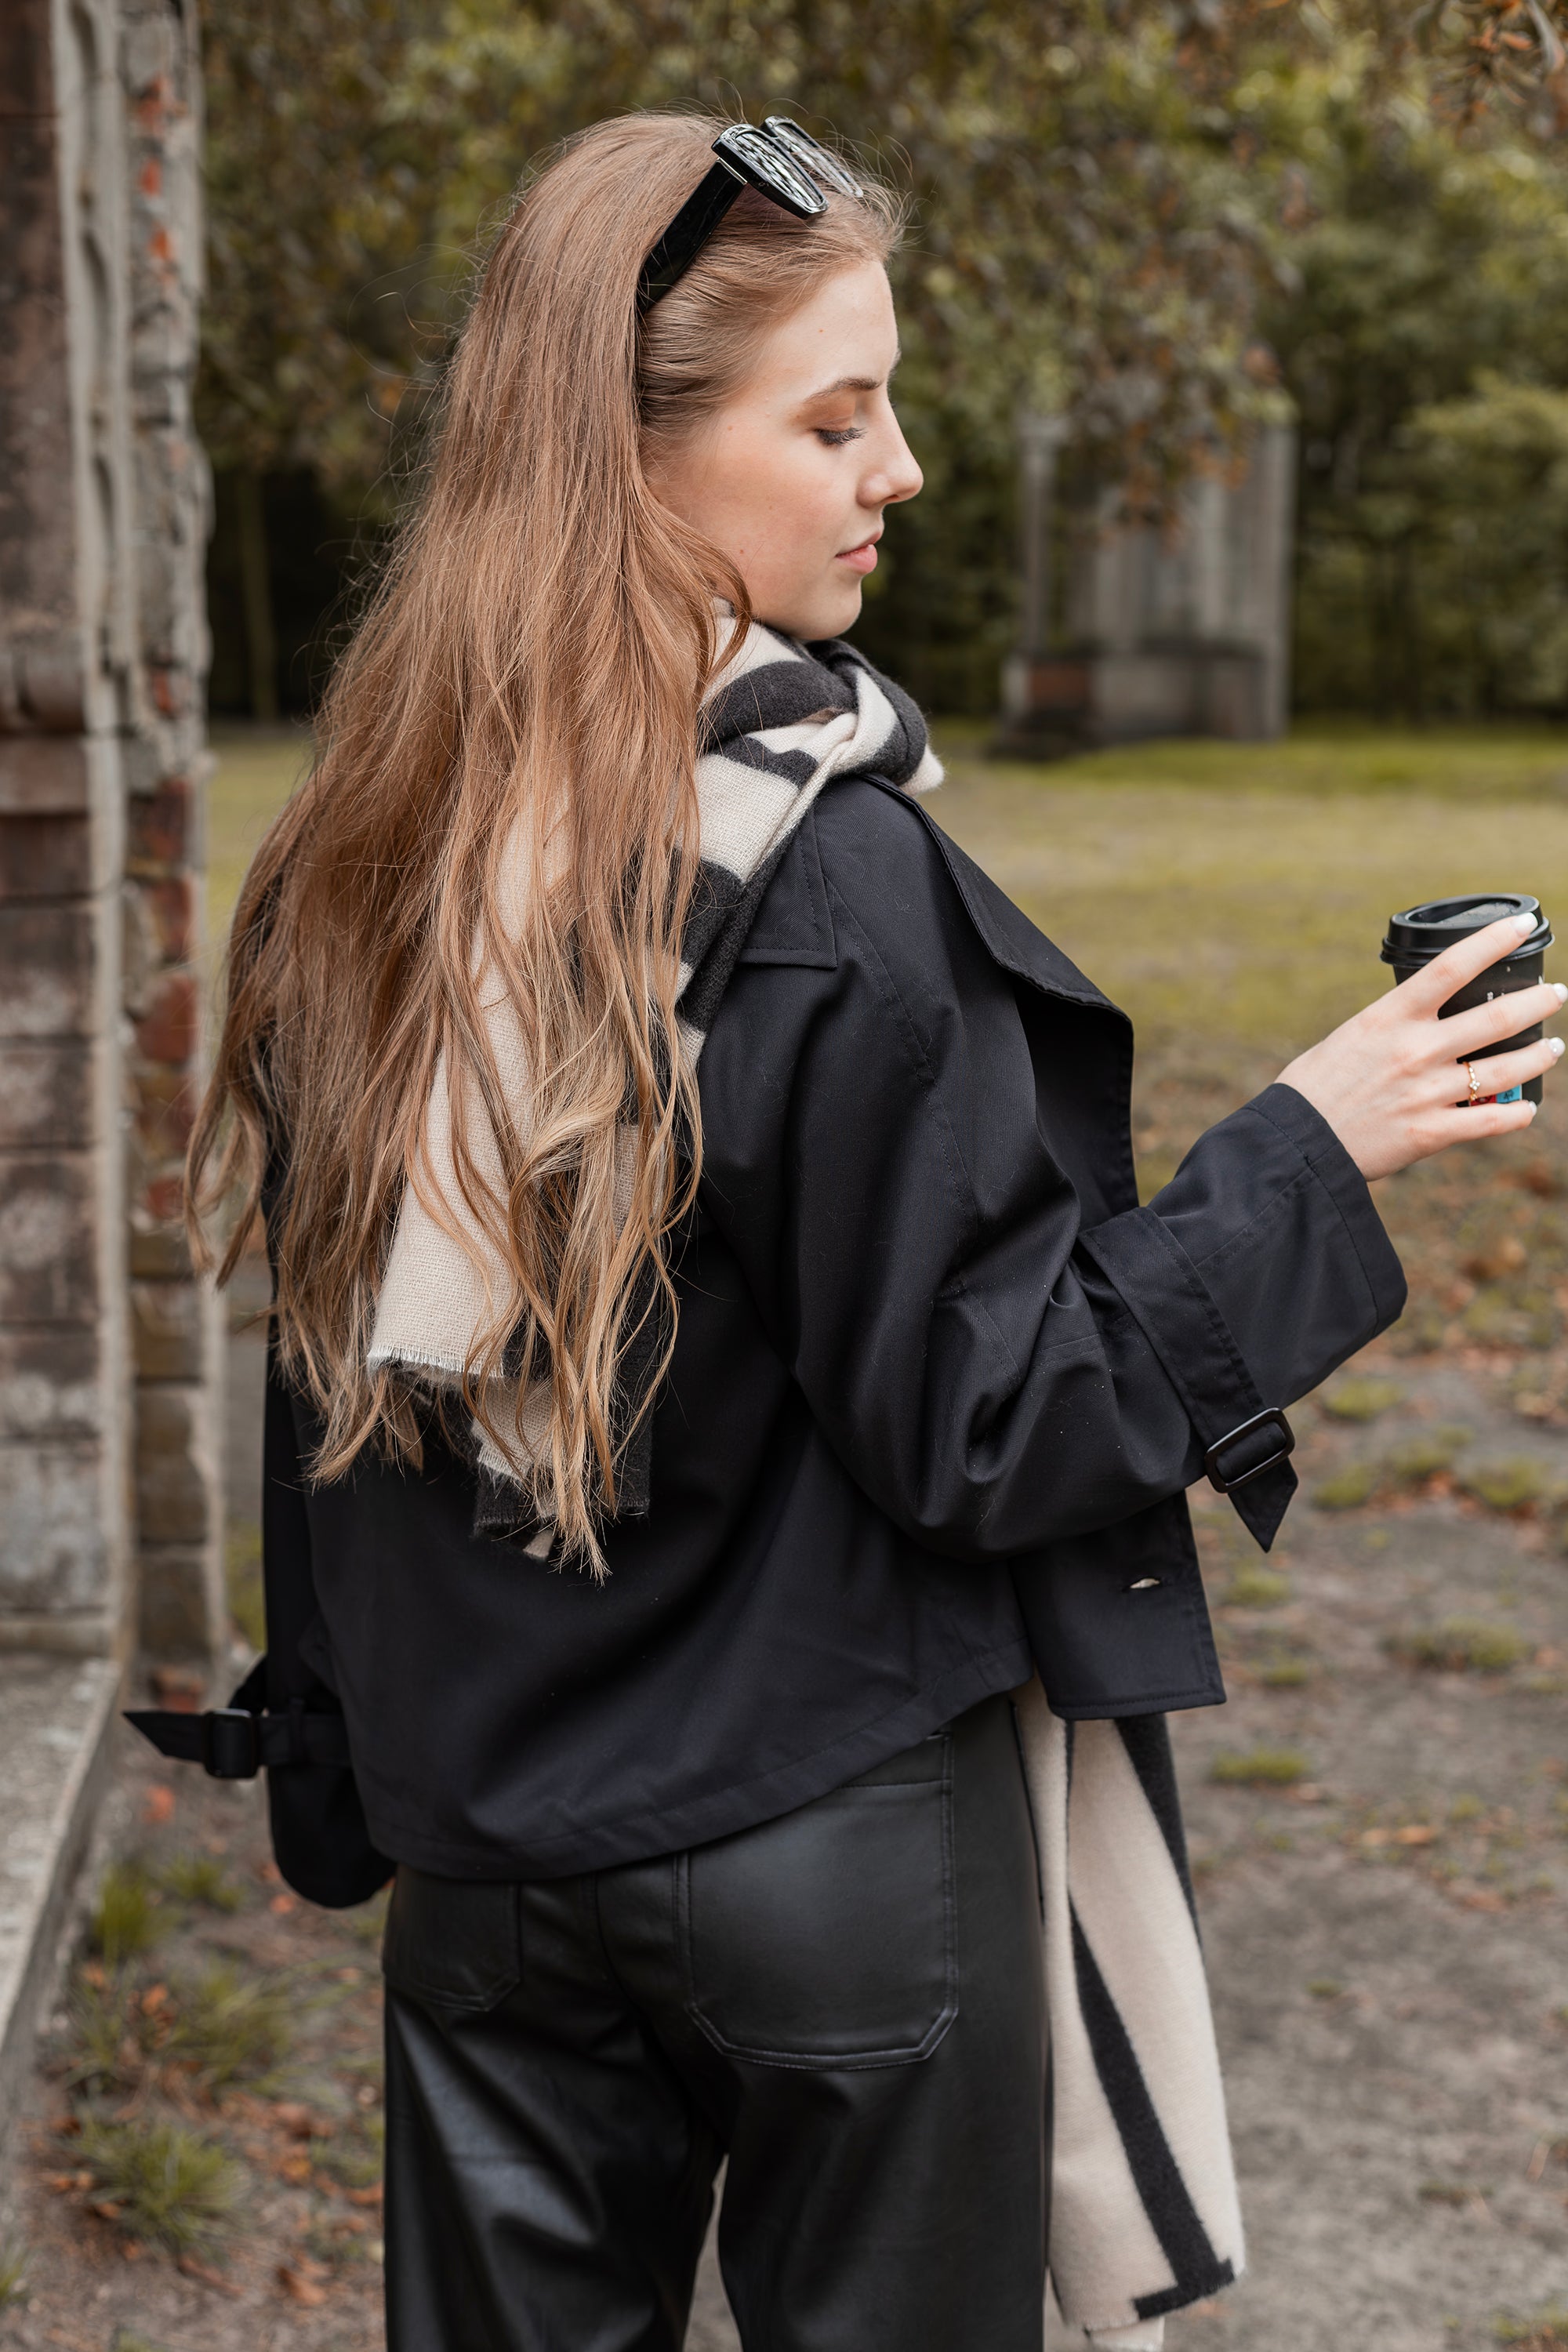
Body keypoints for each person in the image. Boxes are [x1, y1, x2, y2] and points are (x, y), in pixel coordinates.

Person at [143, 112, 1563, 2352]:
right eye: (834, 420)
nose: (898, 469)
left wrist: (340, 1752)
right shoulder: (828, 872)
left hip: (486, 1855)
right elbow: (996, 1428)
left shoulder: (366, 849)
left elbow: (328, 1382)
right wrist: (1315, 1144)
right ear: (625, 461)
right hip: (832, 1848)